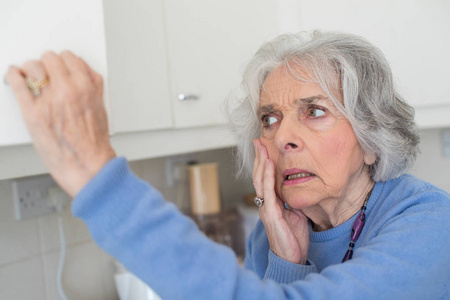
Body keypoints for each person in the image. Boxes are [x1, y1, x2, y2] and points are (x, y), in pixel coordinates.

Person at [6, 31, 450, 299]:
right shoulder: (274, 234)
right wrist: (285, 261)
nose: (283, 137)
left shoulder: (430, 225)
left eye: (315, 111)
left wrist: (97, 178)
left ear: (372, 139)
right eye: (270, 119)